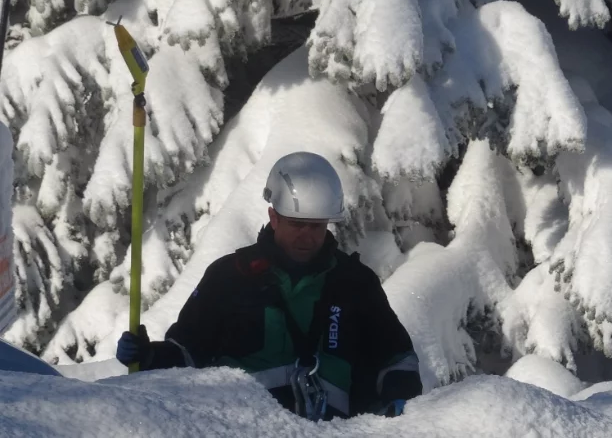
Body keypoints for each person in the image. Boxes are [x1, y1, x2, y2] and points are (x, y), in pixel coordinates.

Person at [116, 152, 422, 420]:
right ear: (273, 217)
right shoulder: (230, 276)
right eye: (296, 224)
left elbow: (397, 357)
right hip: (242, 430)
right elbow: (187, 354)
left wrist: (400, 401)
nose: (307, 236)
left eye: (316, 226)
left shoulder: (355, 282)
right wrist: (149, 356)